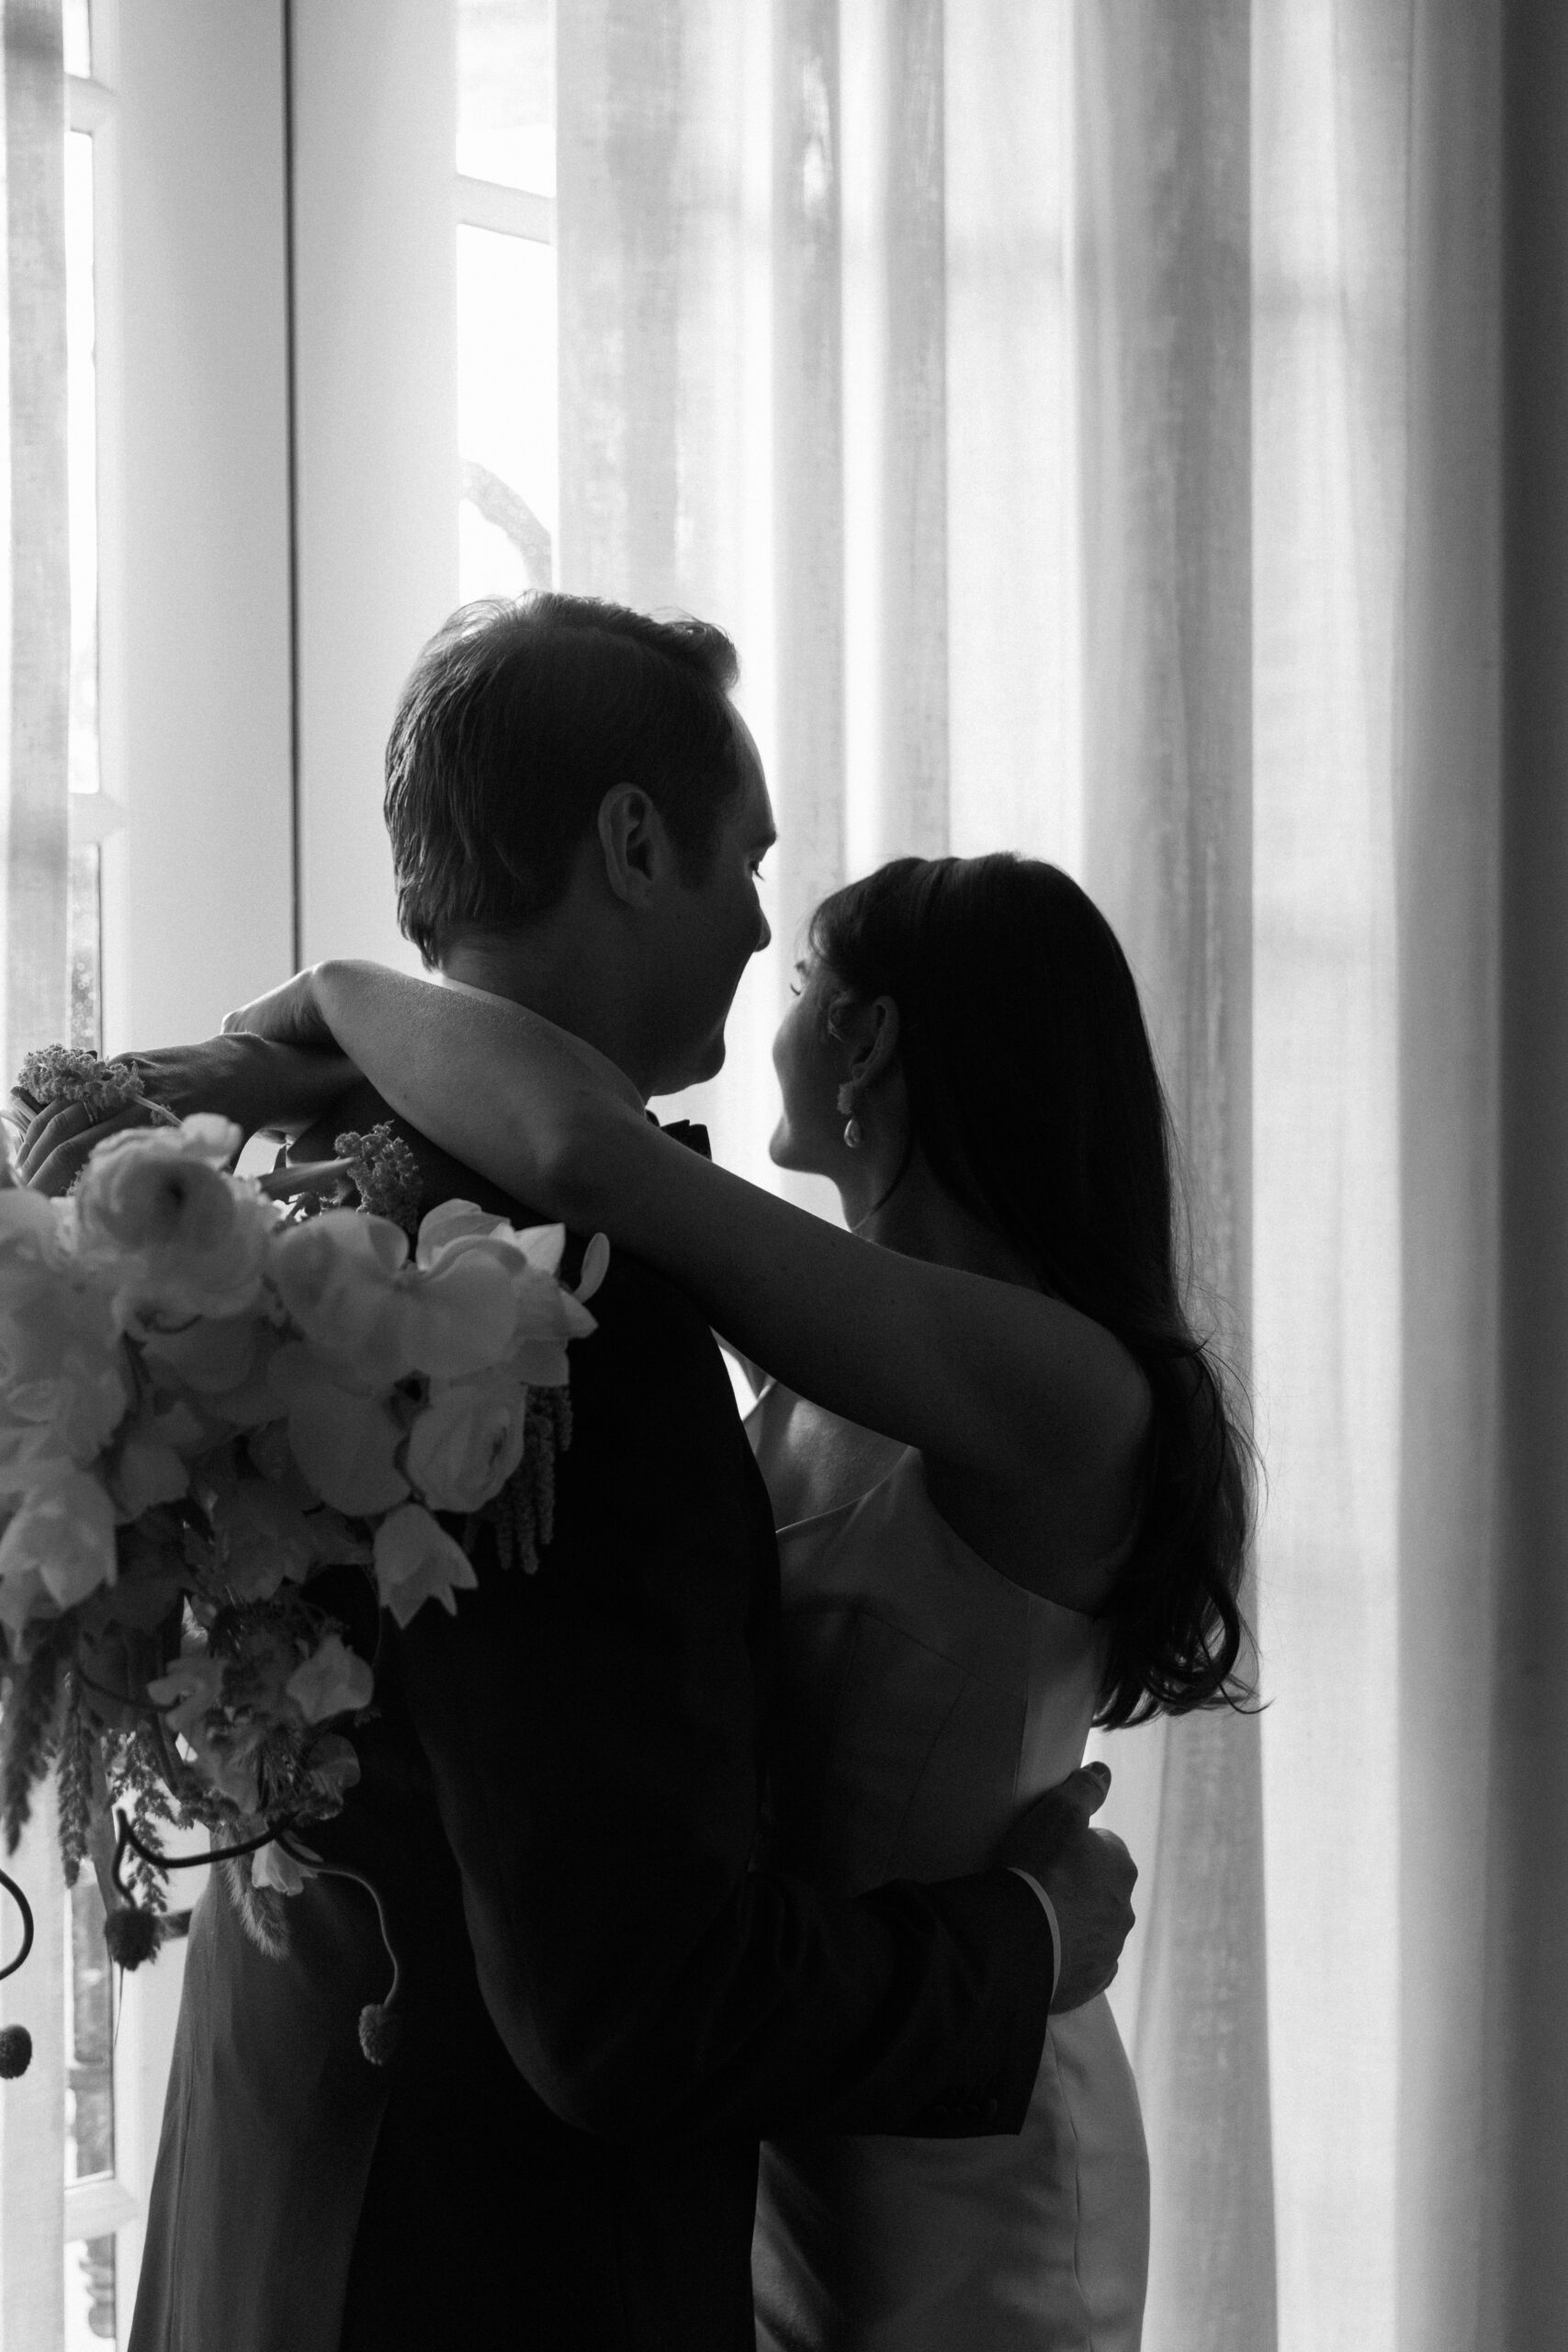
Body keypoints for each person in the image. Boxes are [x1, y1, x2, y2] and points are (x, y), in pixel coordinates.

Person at [19, 594, 1139, 2352]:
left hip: (291, 2192)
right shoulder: (544, 1318)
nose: (764, 927)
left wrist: (334, 997)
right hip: (485, 2251)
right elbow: (626, 1997)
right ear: (632, 841)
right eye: (742, 860)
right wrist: (1017, 1943)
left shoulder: (281, 1218)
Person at [220, 851, 1256, 2352]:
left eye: (797, 981)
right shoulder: (821, 1340)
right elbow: (538, 1133)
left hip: (973, 2146)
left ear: (868, 1038)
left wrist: (326, 992)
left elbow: (583, 1148)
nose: (761, 978)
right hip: (805, 2080)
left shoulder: (1062, 1385)